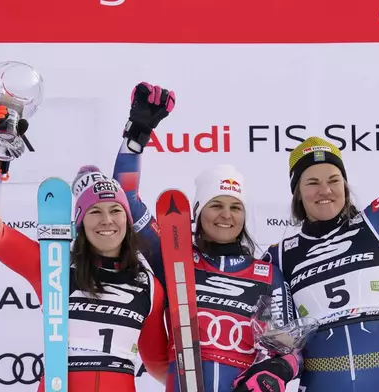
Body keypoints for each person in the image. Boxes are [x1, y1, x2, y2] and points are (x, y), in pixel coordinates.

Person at [261, 28, 379, 392]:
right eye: (311, 183)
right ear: (297, 194)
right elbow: (273, 335)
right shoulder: (279, 256)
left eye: (333, 179)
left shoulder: (378, 223)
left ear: (345, 184)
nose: (325, 191)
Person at [112, 82, 301, 392]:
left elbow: (289, 349)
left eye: (234, 207)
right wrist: (136, 136)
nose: (226, 215)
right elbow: (127, 201)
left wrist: (275, 371)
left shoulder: (267, 276)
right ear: (198, 212)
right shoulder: (176, 259)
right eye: (216, 205)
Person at [0, 106, 169, 392]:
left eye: (116, 210)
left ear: (126, 217)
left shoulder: (148, 285)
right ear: (80, 222)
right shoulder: (54, 266)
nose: (107, 220)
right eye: (95, 212)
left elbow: (159, 363)